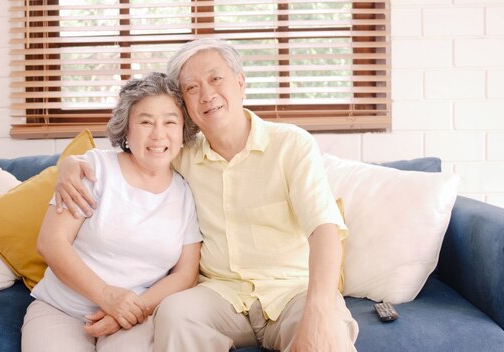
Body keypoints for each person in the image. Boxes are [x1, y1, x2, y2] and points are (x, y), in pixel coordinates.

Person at [55, 39, 358, 352]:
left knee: (328, 335)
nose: (207, 94)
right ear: (185, 105)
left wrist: (320, 310)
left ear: (240, 83)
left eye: (216, 79)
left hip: (292, 291)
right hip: (220, 294)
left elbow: (324, 231)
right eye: (191, 87)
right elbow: (127, 159)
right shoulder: (180, 154)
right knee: (175, 314)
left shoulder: (292, 145)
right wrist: (71, 163)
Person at [21, 72, 202, 352]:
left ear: (182, 133)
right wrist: (106, 296)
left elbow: (185, 273)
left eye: (170, 121)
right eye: (145, 121)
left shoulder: (185, 193)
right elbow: (51, 242)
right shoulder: (94, 169)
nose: (158, 134)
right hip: (61, 309)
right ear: (127, 129)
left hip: (135, 318)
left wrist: (131, 310)